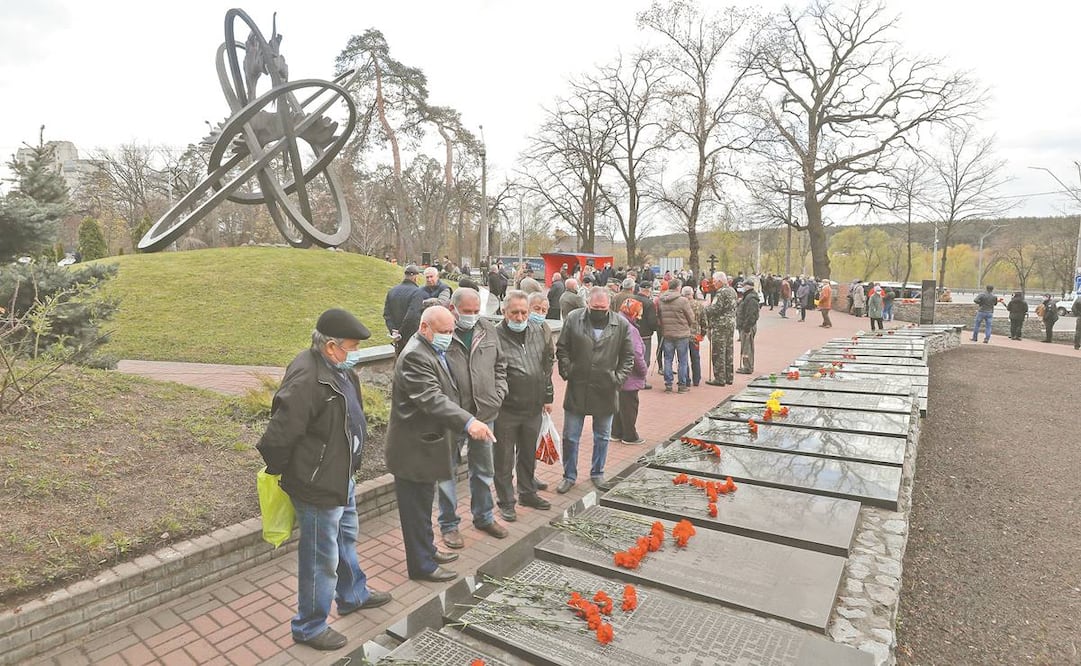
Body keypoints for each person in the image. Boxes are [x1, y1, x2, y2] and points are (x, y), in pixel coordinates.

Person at [257, 309, 391, 651]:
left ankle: (353, 594)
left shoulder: (339, 369)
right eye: (352, 347)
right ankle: (309, 626)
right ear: (331, 347)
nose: (356, 353)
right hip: (317, 484)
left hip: (339, 476)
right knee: (321, 557)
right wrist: (299, 474)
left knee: (345, 537)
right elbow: (278, 436)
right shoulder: (307, 377)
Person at [386, 306, 496, 583]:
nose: (449, 336)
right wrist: (469, 422)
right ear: (425, 328)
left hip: (426, 445)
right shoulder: (415, 356)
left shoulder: (430, 350)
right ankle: (421, 566)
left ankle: (428, 551)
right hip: (413, 450)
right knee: (415, 512)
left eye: (451, 331)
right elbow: (432, 399)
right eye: (444, 332)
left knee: (423, 508)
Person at [438, 289, 508, 549]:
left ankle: (484, 516)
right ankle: (449, 525)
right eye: (467, 312)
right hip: (453, 417)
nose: (472, 316)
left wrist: (498, 393)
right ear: (454, 309)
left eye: (475, 311)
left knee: (483, 470)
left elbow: (500, 365)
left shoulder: (487, 329)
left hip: (484, 412)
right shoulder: (443, 331)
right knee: (446, 473)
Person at [555, 287, 634, 493]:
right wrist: (568, 370)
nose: (599, 310)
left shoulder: (621, 324)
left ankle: (597, 472)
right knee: (570, 436)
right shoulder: (574, 319)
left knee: (602, 435)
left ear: (609, 306)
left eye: (603, 307)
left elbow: (628, 357)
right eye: (595, 307)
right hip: (577, 386)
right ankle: (569, 475)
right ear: (588, 304)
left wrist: (617, 379)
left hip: (606, 388)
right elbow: (562, 347)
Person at [493, 291, 554, 521]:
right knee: (504, 459)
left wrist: (548, 397)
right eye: (514, 313)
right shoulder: (494, 336)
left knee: (528, 454)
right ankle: (506, 501)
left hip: (533, 407)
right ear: (504, 312)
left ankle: (527, 492)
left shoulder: (537, 332)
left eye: (524, 313)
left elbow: (545, 367)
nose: (520, 318)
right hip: (506, 410)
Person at [611, 299, 648, 445]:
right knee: (629, 406)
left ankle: (616, 432)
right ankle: (629, 436)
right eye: (638, 313)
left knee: (618, 404)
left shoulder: (614, 321)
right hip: (628, 375)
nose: (639, 316)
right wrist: (643, 371)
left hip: (615, 371)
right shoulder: (630, 329)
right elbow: (636, 355)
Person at [657, 280, 695, 393]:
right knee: (682, 360)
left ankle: (668, 384)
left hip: (667, 333)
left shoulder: (661, 300)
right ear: (678, 287)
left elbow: (659, 316)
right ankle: (682, 385)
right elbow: (691, 318)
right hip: (682, 334)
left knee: (668, 359)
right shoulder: (683, 301)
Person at [383, 264, 425, 355]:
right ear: (415, 277)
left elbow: (387, 314)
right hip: (411, 338)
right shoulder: (417, 292)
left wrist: (394, 331)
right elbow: (412, 315)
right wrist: (401, 332)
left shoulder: (392, 291)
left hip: (397, 340)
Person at [705, 272, 737, 386]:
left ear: (719, 281)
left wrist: (705, 309)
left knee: (718, 351)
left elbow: (715, 308)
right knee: (729, 351)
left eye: (714, 281)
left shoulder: (721, 292)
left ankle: (719, 378)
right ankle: (729, 377)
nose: (713, 284)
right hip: (730, 324)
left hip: (720, 325)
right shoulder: (732, 290)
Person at [631, 281, 659, 387]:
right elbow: (652, 321)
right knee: (644, 358)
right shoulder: (649, 303)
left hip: (632, 332)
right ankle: (642, 380)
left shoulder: (632, 300)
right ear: (649, 290)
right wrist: (655, 328)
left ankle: (632, 377)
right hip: (645, 334)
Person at [683, 286, 706, 387]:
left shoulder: (681, 304)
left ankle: (686, 379)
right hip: (695, 335)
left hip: (683, 335)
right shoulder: (699, 305)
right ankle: (696, 379)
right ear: (692, 293)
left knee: (683, 358)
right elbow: (704, 321)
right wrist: (703, 334)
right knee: (695, 357)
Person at [736, 285, 761, 374]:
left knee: (748, 347)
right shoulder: (747, 297)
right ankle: (746, 365)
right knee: (745, 346)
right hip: (745, 325)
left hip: (748, 326)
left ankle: (748, 367)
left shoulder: (751, 299)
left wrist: (747, 327)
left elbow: (751, 314)